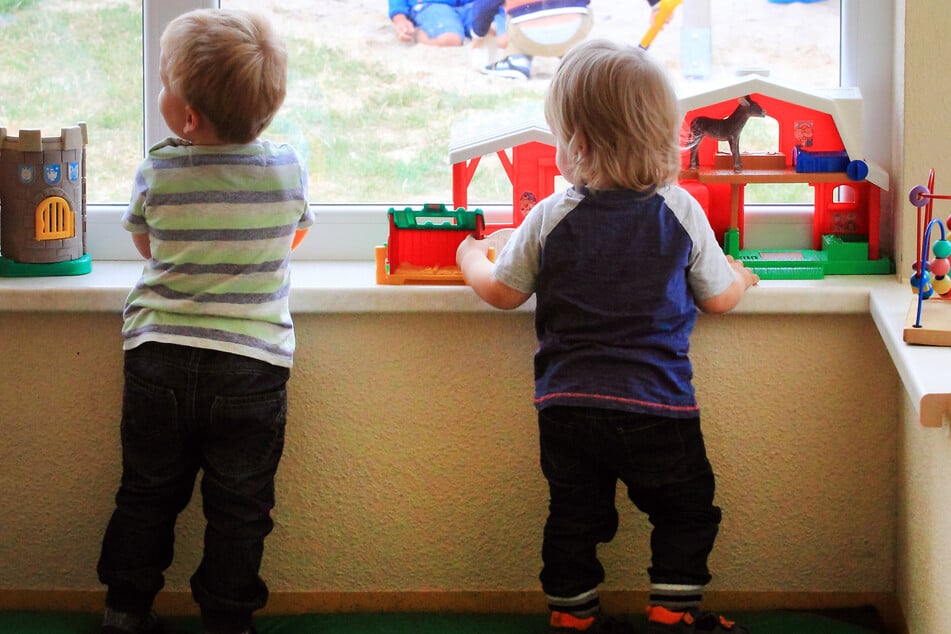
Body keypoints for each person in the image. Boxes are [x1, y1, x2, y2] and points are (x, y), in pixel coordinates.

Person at [456, 39, 756, 634]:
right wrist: (743, 277)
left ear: (579, 145)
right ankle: (672, 611)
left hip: (569, 409)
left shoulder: (551, 214)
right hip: (661, 407)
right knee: (686, 510)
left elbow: (502, 291)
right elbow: (718, 298)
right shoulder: (680, 209)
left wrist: (470, 256)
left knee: (574, 517)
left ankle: (573, 618)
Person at [96, 8, 313, 634]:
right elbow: (291, 236)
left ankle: (124, 609)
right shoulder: (288, 168)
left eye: (165, 82)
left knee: (146, 492)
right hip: (252, 364)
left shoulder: (161, 166)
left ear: (187, 116)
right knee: (240, 508)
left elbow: (147, 246)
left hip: (159, 353)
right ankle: (227, 619)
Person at [473, 0, 663, 80]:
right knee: (582, 11)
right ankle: (571, 55)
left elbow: (484, 7)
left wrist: (478, 34)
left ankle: (517, 60)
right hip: (574, 29)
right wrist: (657, 5)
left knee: (510, 13)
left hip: (526, 33)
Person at [389, 0, 507, 46]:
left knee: (500, 33)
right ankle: (418, 34)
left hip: (473, 6)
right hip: (434, 6)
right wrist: (400, 19)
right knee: (450, 39)